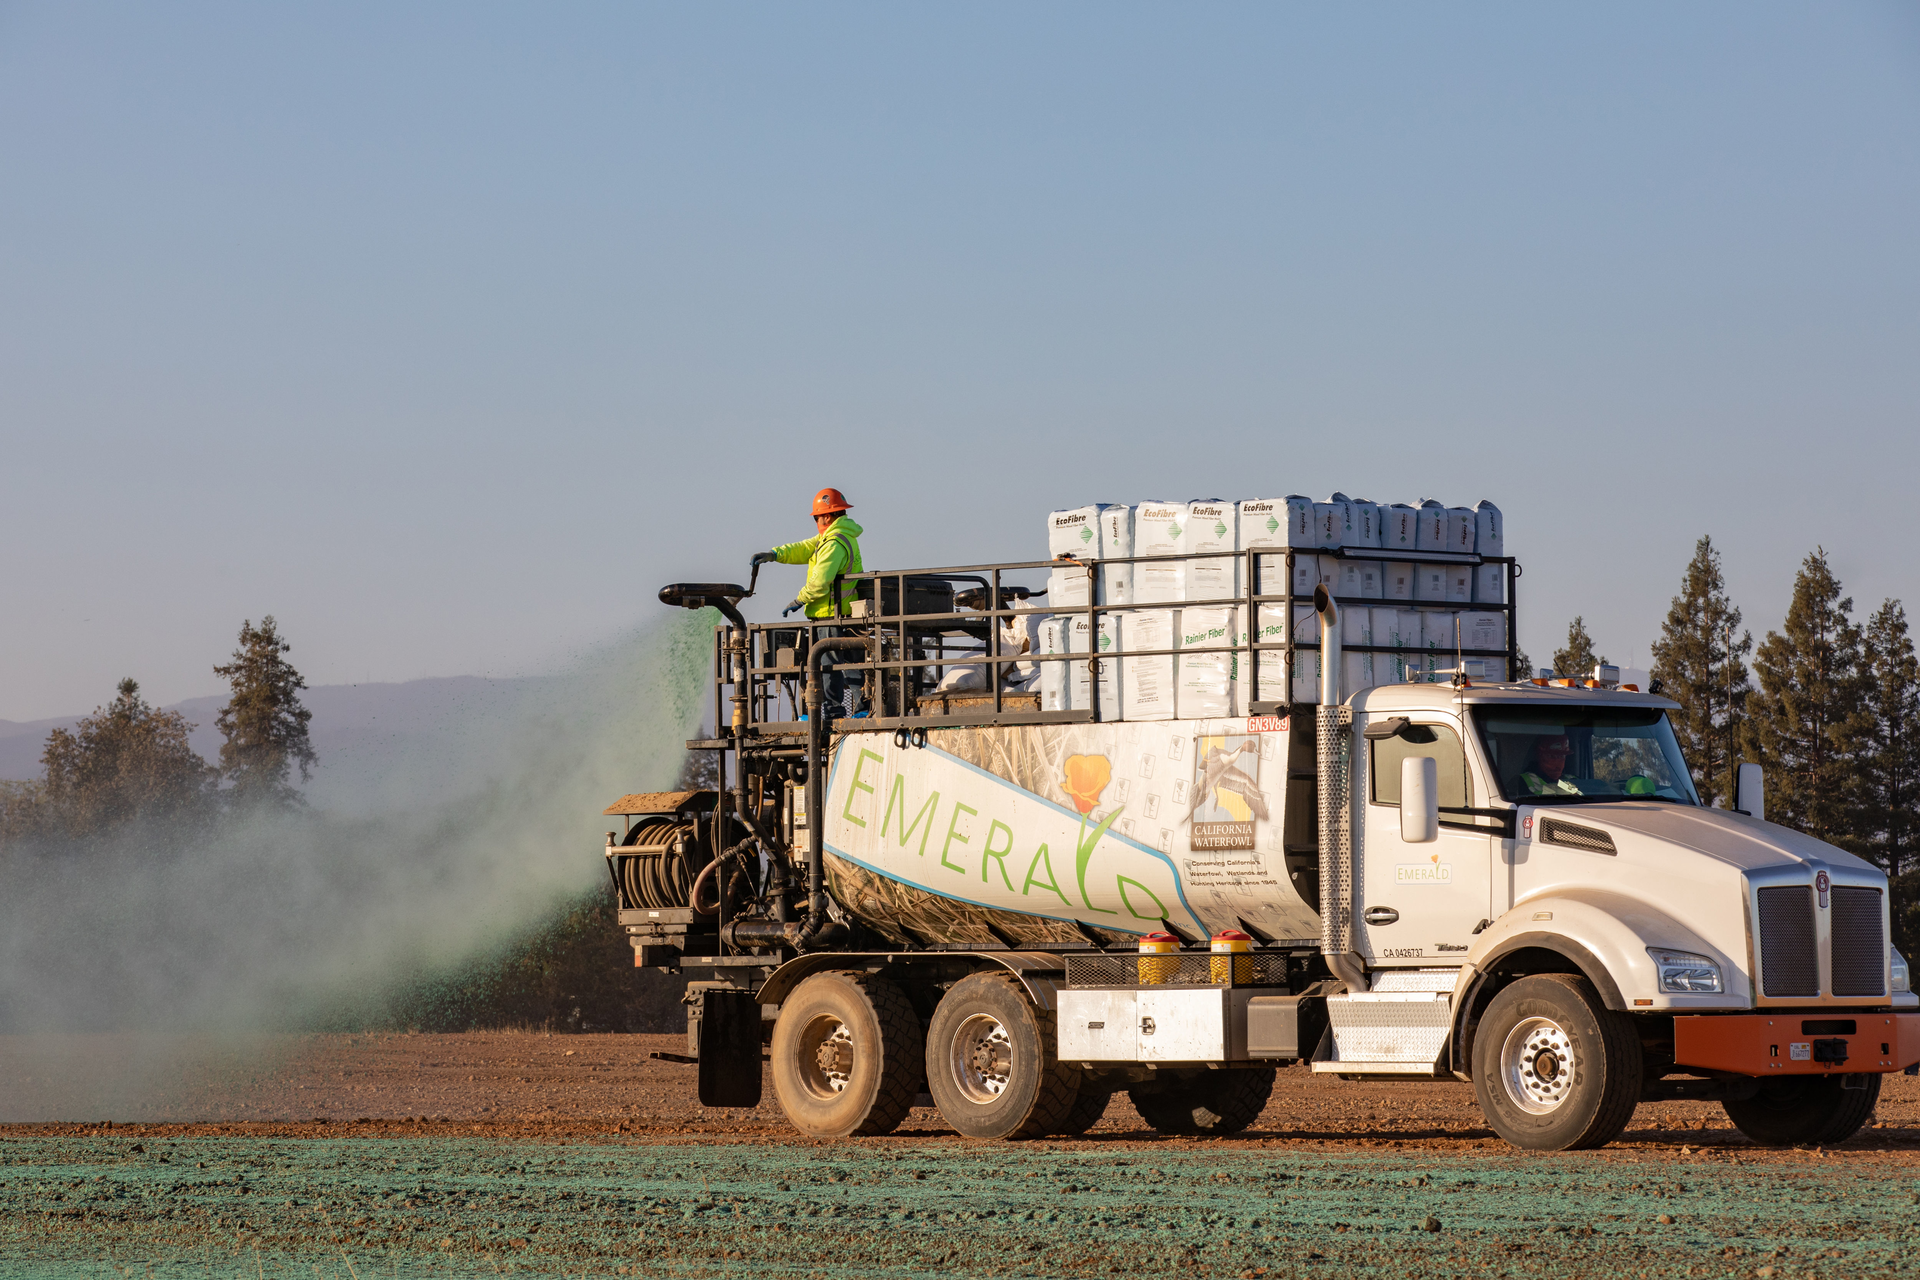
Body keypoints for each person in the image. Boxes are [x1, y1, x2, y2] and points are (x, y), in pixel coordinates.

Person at [752, 488, 866, 716]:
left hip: (831, 615)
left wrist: (799, 599)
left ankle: (834, 712)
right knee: (852, 664)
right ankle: (862, 708)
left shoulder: (833, 543)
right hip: (846, 614)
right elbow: (804, 548)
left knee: (828, 666)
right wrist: (775, 554)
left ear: (827, 516)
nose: (816, 522)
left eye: (816, 517)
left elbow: (820, 582)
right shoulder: (837, 537)